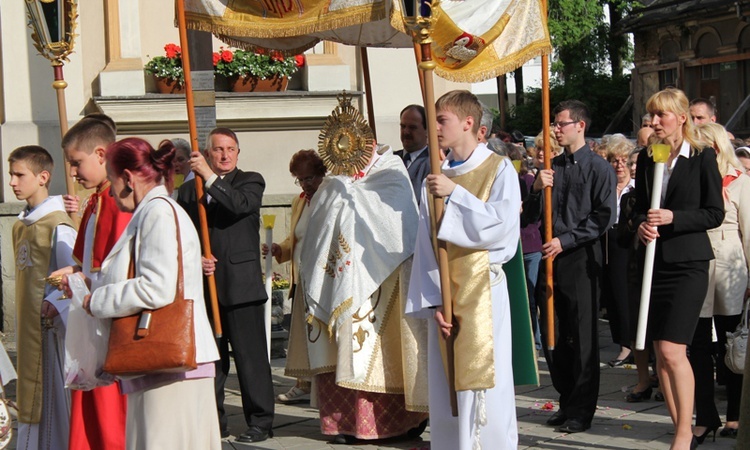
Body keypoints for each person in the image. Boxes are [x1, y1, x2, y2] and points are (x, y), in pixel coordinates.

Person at [75, 137, 221, 449]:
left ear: (127, 178)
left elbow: (157, 286)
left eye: (113, 182)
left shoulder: (158, 213)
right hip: (163, 366)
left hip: (171, 366)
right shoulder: (155, 211)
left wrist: (97, 300)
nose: (113, 194)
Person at [300, 113, 427, 444]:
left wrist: (355, 194)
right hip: (339, 283)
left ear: (368, 143)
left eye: (354, 145)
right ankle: (341, 423)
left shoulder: (391, 173)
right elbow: (317, 233)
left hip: (383, 281)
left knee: (377, 358)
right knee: (339, 352)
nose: (348, 155)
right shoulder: (332, 182)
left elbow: (400, 226)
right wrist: (341, 190)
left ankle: (388, 424)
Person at [406, 90, 521, 449]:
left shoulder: (498, 169)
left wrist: (455, 194)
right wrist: (435, 301)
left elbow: (501, 230)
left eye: (442, 120)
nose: (435, 128)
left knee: (486, 384)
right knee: (446, 391)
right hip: (447, 293)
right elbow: (425, 246)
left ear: (469, 123)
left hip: (484, 289)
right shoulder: (436, 178)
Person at [634, 88, 724, 449]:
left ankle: (687, 433)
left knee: (673, 350)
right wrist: (640, 223)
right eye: (651, 115)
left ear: (681, 118)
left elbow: (714, 213)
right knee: (660, 353)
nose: (654, 122)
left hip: (688, 263)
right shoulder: (647, 157)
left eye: (661, 115)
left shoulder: (701, 157)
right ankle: (678, 427)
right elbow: (637, 208)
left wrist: (675, 217)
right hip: (652, 262)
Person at [523, 100, 616, 434]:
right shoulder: (552, 168)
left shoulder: (598, 168)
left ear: (581, 126)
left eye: (562, 123)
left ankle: (582, 407)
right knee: (554, 332)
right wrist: (536, 189)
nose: (556, 129)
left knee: (582, 334)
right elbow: (530, 217)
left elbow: (603, 216)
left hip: (579, 258)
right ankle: (566, 399)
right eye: (555, 124)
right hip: (550, 257)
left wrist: (567, 240)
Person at [177, 127, 274, 443]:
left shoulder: (250, 181)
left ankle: (260, 421)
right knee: (212, 361)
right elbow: (187, 236)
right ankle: (215, 423)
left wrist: (210, 178)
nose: (224, 155)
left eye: (230, 149)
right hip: (206, 288)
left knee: (251, 360)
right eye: (218, 149)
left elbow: (239, 206)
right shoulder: (189, 191)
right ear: (207, 153)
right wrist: (196, 261)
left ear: (237, 152)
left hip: (241, 285)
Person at [51, 115, 130, 450]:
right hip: (90, 318)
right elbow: (86, 263)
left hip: (109, 324)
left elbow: (114, 268)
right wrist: (72, 275)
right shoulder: (96, 201)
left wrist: (82, 279)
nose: (72, 173)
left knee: (109, 410)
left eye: (76, 163)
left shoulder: (117, 201)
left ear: (101, 155)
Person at [9, 146, 77, 449]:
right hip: (28, 333)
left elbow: (73, 278)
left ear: (43, 177)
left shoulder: (57, 225)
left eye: (19, 174)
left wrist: (57, 305)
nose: (12, 182)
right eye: (11, 174)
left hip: (50, 335)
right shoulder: (20, 225)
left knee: (52, 408)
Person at [690, 122, 748, 442]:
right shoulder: (694, 179)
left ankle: (736, 415)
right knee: (697, 345)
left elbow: (749, 233)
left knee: (733, 343)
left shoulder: (741, 183)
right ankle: (705, 414)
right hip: (698, 265)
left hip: (729, 268)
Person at [262, 150, 327, 404]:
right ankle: (304, 383)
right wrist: (280, 249)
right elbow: (296, 238)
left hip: (323, 278)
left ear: (322, 174)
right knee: (301, 334)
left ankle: (320, 383)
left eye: (309, 178)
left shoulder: (329, 197)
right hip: (301, 276)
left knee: (318, 334)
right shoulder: (299, 201)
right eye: (299, 180)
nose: (305, 184)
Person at [601, 137, 637, 367]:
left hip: (629, 242)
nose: (619, 165)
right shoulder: (607, 187)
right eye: (614, 160)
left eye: (624, 160)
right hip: (608, 241)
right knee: (613, 295)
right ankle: (622, 343)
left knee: (627, 294)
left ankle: (630, 344)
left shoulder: (636, 188)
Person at [394, 104, 430, 201]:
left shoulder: (432, 164)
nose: (406, 132)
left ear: (427, 131)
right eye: (403, 126)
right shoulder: (391, 158)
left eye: (412, 127)